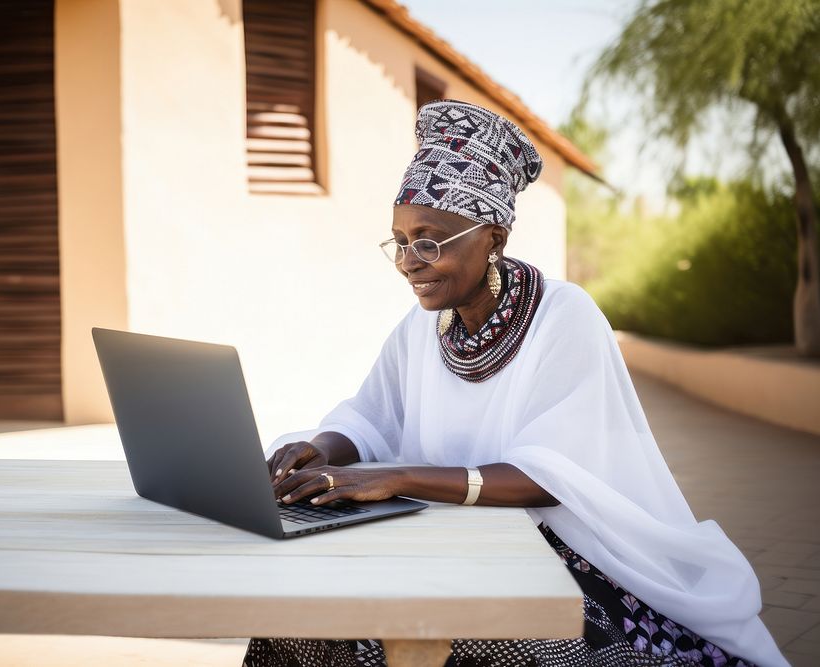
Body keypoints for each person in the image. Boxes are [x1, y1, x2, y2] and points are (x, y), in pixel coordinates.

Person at [242, 100, 788, 667]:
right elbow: (370, 417)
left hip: (574, 557)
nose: (409, 261)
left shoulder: (563, 315)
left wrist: (399, 477)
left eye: (430, 240)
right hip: (455, 552)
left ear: (493, 238)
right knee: (296, 621)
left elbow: (547, 478)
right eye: (399, 241)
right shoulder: (421, 328)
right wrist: (317, 450)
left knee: (478, 643)